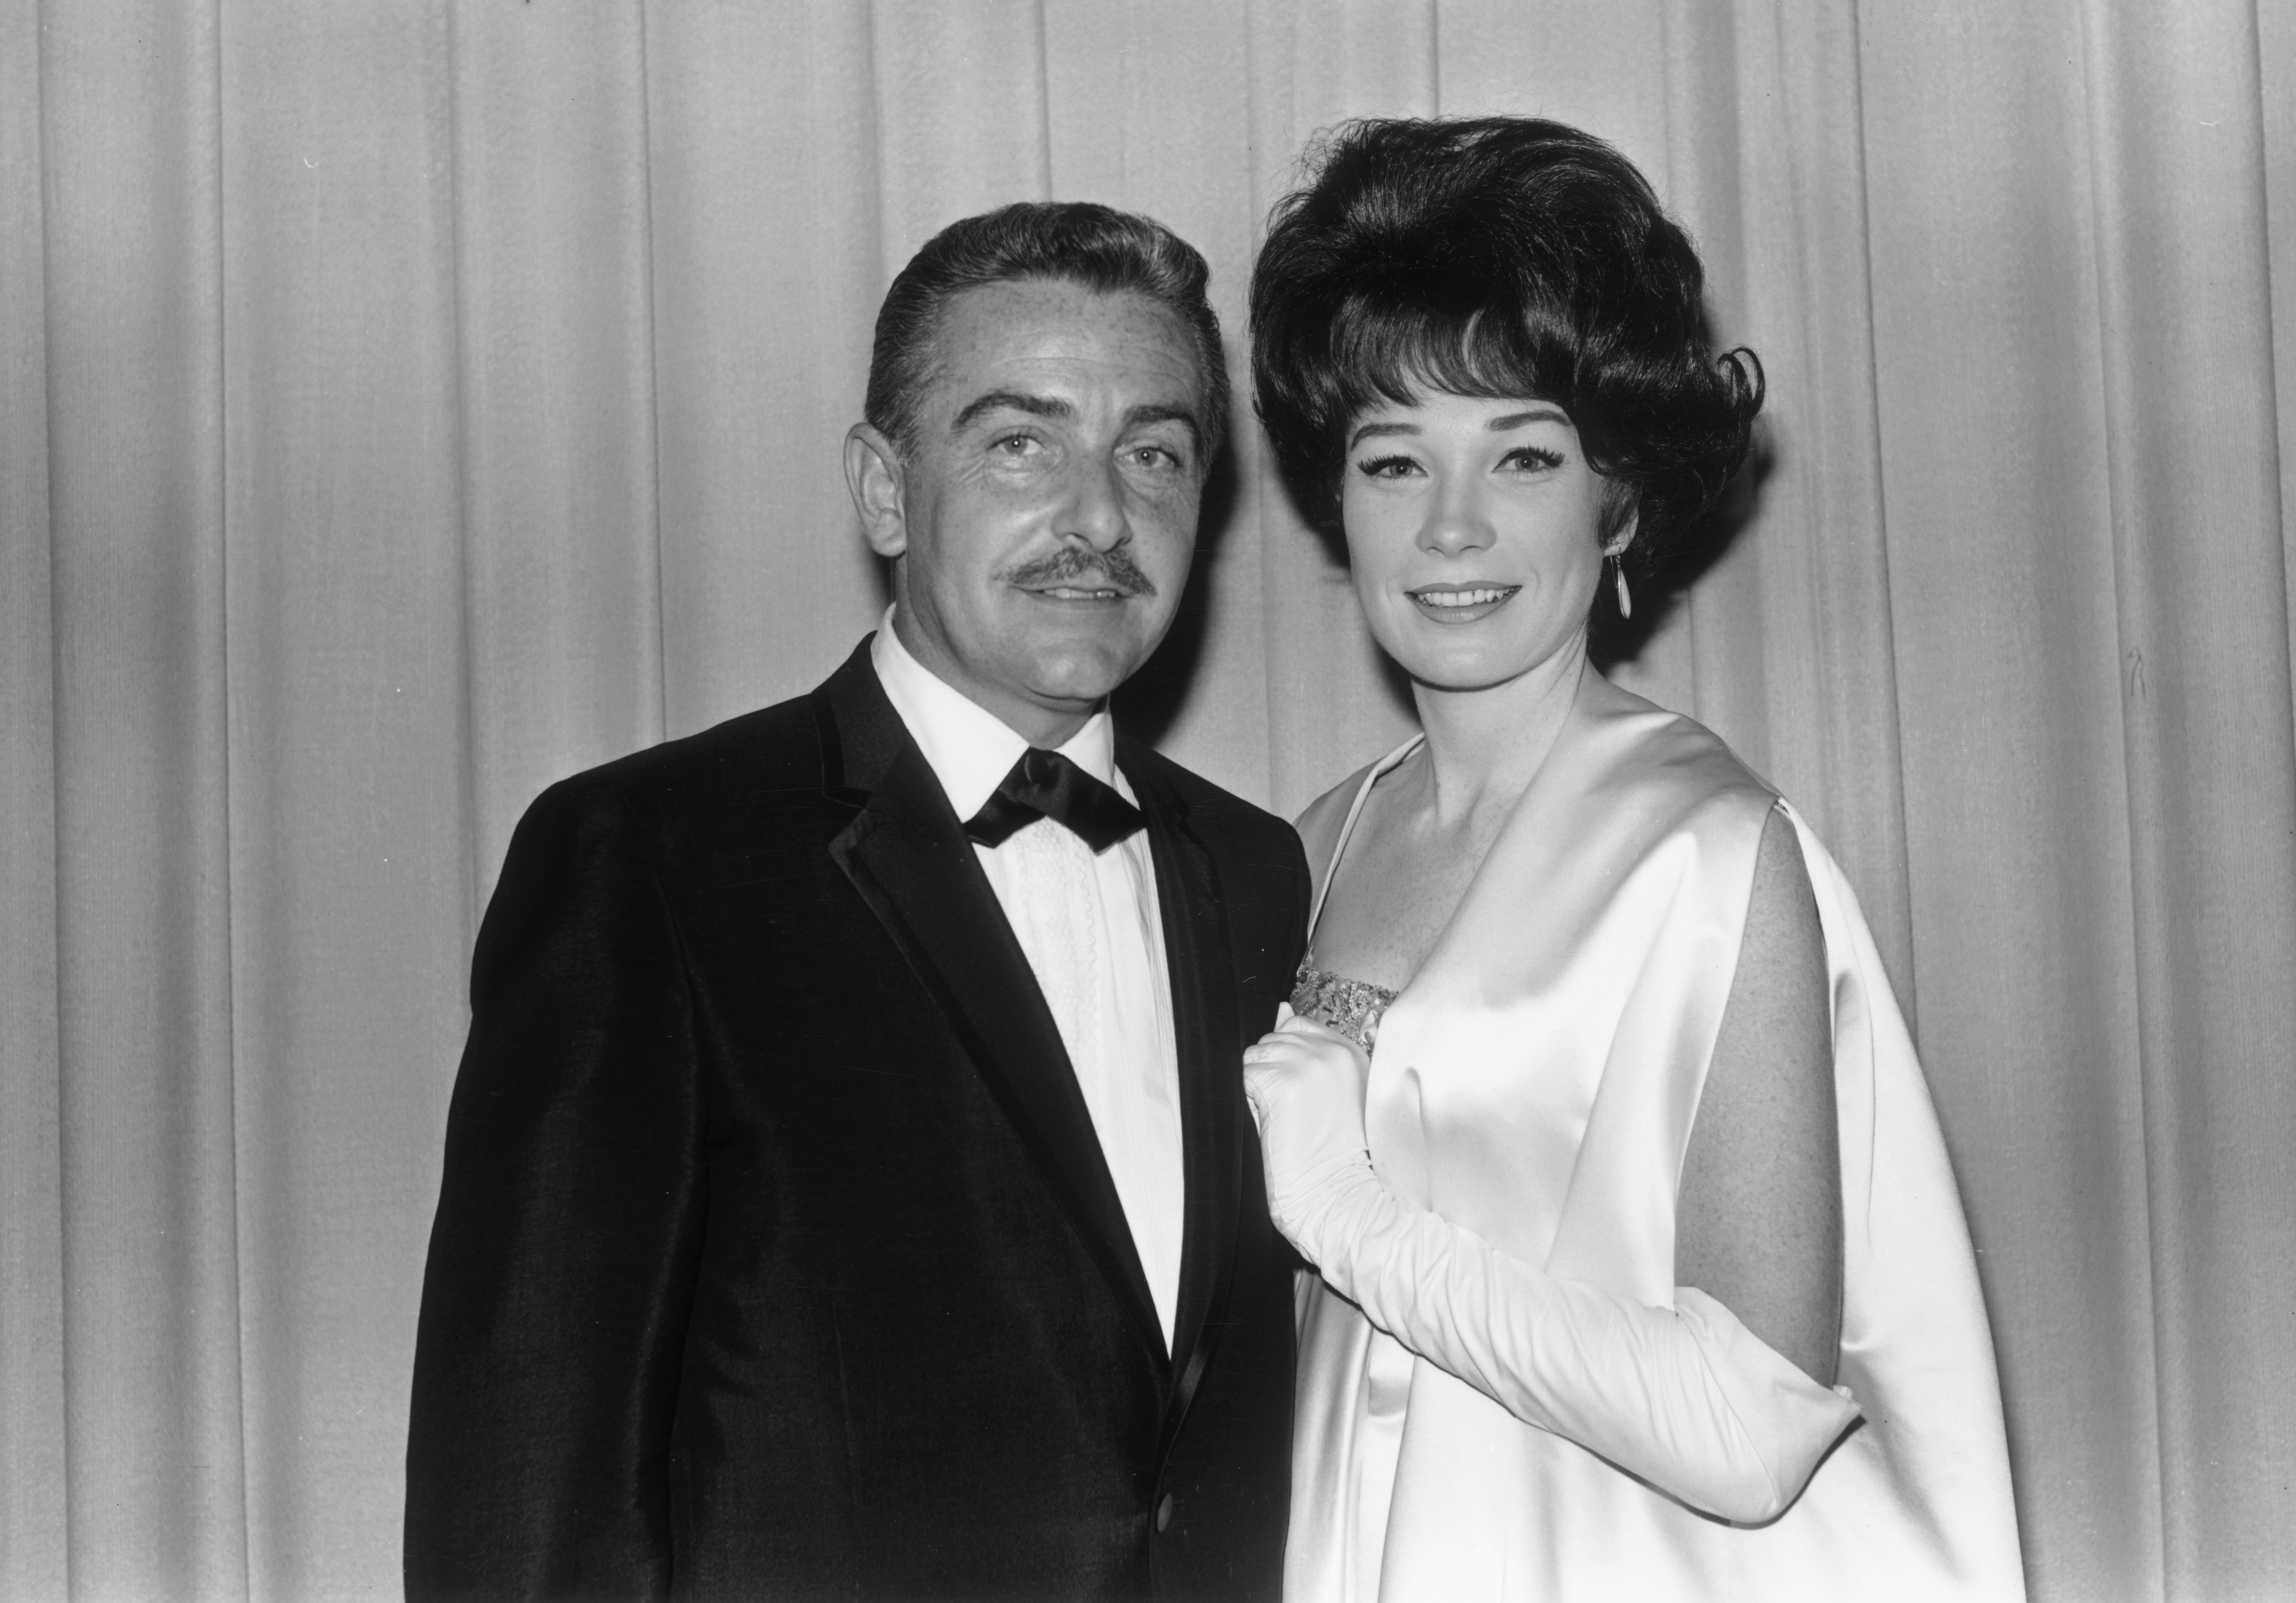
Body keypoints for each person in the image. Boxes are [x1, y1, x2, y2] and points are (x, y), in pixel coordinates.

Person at [405, 202, 1307, 1599]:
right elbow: (528, 1484)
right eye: (1021, 443)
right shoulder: (649, 855)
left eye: (1154, 453)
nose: (1099, 518)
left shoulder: (1259, 872)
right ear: (885, 492)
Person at [1239, 117, 2025, 1601]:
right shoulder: (1309, 844)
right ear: (1335, 500)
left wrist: (1346, 1213)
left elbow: (1747, 1426)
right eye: (1393, 459)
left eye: (1523, 454)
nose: (1451, 525)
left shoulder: (1714, 856)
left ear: (1620, 502)